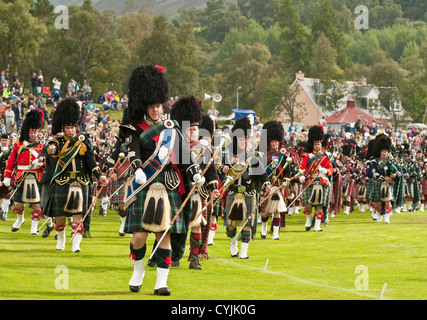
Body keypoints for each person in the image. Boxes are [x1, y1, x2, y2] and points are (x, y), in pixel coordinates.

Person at [121, 65, 204, 295]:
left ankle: (161, 282)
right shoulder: (132, 128)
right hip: (143, 183)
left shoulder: (171, 128)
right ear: (144, 105)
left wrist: (194, 172)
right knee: (138, 236)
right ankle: (138, 270)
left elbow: (185, 155)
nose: (158, 110)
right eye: (153, 105)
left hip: (167, 185)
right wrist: (137, 168)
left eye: (160, 105)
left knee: (163, 233)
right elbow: (133, 151)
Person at [41, 98, 107, 252]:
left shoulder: (83, 142)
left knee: (79, 214)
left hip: (81, 181)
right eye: (68, 128)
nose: (71, 130)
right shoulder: (57, 142)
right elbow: (51, 148)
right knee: (60, 215)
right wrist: (50, 150)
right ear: (63, 128)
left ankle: (76, 245)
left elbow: (91, 162)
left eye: (73, 127)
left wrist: (100, 175)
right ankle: (61, 242)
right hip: (62, 181)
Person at [170, 96, 220, 270]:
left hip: (198, 193)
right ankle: (173, 256)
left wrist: (214, 188)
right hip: (179, 191)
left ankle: (194, 258)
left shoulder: (205, 149)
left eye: (195, 129)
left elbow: (211, 170)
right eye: (190, 129)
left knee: (197, 226)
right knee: (176, 227)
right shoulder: (175, 147)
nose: (192, 132)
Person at [221, 116, 271, 259]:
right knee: (230, 225)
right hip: (233, 192)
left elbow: (262, 174)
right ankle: (233, 245)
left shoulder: (254, 156)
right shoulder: (228, 154)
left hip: (249, 194)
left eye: (246, 138)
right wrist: (223, 169)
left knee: (247, 224)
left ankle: (244, 253)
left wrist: (266, 184)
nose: (244, 141)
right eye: (241, 139)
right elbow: (219, 170)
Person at [3, 110, 45, 234]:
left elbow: (49, 163)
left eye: (35, 131)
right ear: (27, 131)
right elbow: (11, 162)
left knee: (36, 204)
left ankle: (34, 227)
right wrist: (6, 176)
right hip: (21, 176)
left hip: (36, 176)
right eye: (31, 131)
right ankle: (20, 219)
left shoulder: (42, 146)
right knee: (18, 204)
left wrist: (42, 163)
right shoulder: (18, 145)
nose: (33, 134)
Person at [298, 125, 333, 232]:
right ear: (312, 145)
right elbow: (301, 169)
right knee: (307, 205)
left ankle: (317, 226)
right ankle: (308, 220)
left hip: (322, 182)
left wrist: (326, 171)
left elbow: (331, 169)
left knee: (320, 205)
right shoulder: (307, 157)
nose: (317, 146)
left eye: (318, 143)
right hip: (310, 181)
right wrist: (301, 177)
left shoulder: (325, 157)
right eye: (315, 144)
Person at [259, 120, 290, 240]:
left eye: (277, 141)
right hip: (266, 186)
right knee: (266, 212)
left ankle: (276, 234)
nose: (275, 144)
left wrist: (285, 181)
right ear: (269, 142)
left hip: (277, 187)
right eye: (272, 141)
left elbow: (287, 172)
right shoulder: (262, 156)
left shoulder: (283, 157)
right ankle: (264, 226)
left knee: (277, 210)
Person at [367, 134, 398, 223]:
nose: (384, 153)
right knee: (378, 203)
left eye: (386, 152)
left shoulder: (390, 162)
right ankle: (379, 215)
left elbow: (396, 170)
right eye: (383, 152)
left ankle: (387, 218)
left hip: (387, 184)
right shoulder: (374, 162)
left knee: (388, 201)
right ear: (379, 152)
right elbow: (372, 173)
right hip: (378, 183)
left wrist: (394, 174)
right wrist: (384, 178)